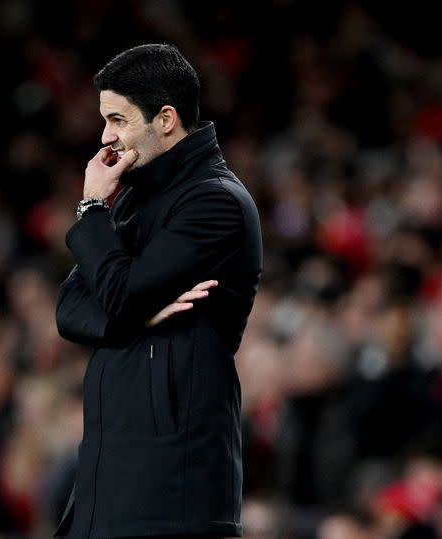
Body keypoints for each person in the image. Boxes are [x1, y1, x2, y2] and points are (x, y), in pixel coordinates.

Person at [54, 44, 263, 539]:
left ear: (165, 119)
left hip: (172, 489)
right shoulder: (130, 201)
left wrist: (90, 208)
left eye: (118, 120)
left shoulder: (216, 203)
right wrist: (139, 316)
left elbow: (118, 296)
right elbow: (68, 310)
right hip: (109, 483)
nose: (107, 137)